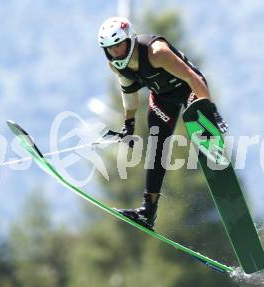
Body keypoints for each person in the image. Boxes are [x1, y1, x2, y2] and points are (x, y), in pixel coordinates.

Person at [98, 16, 228, 231]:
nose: (116, 52)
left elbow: (193, 77)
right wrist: (128, 124)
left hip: (189, 89)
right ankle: (148, 211)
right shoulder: (116, 66)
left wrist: (210, 110)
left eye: (119, 45)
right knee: (156, 149)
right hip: (162, 97)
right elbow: (129, 94)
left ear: (130, 40)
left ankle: (224, 183)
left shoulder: (156, 52)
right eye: (110, 48)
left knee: (201, 125)